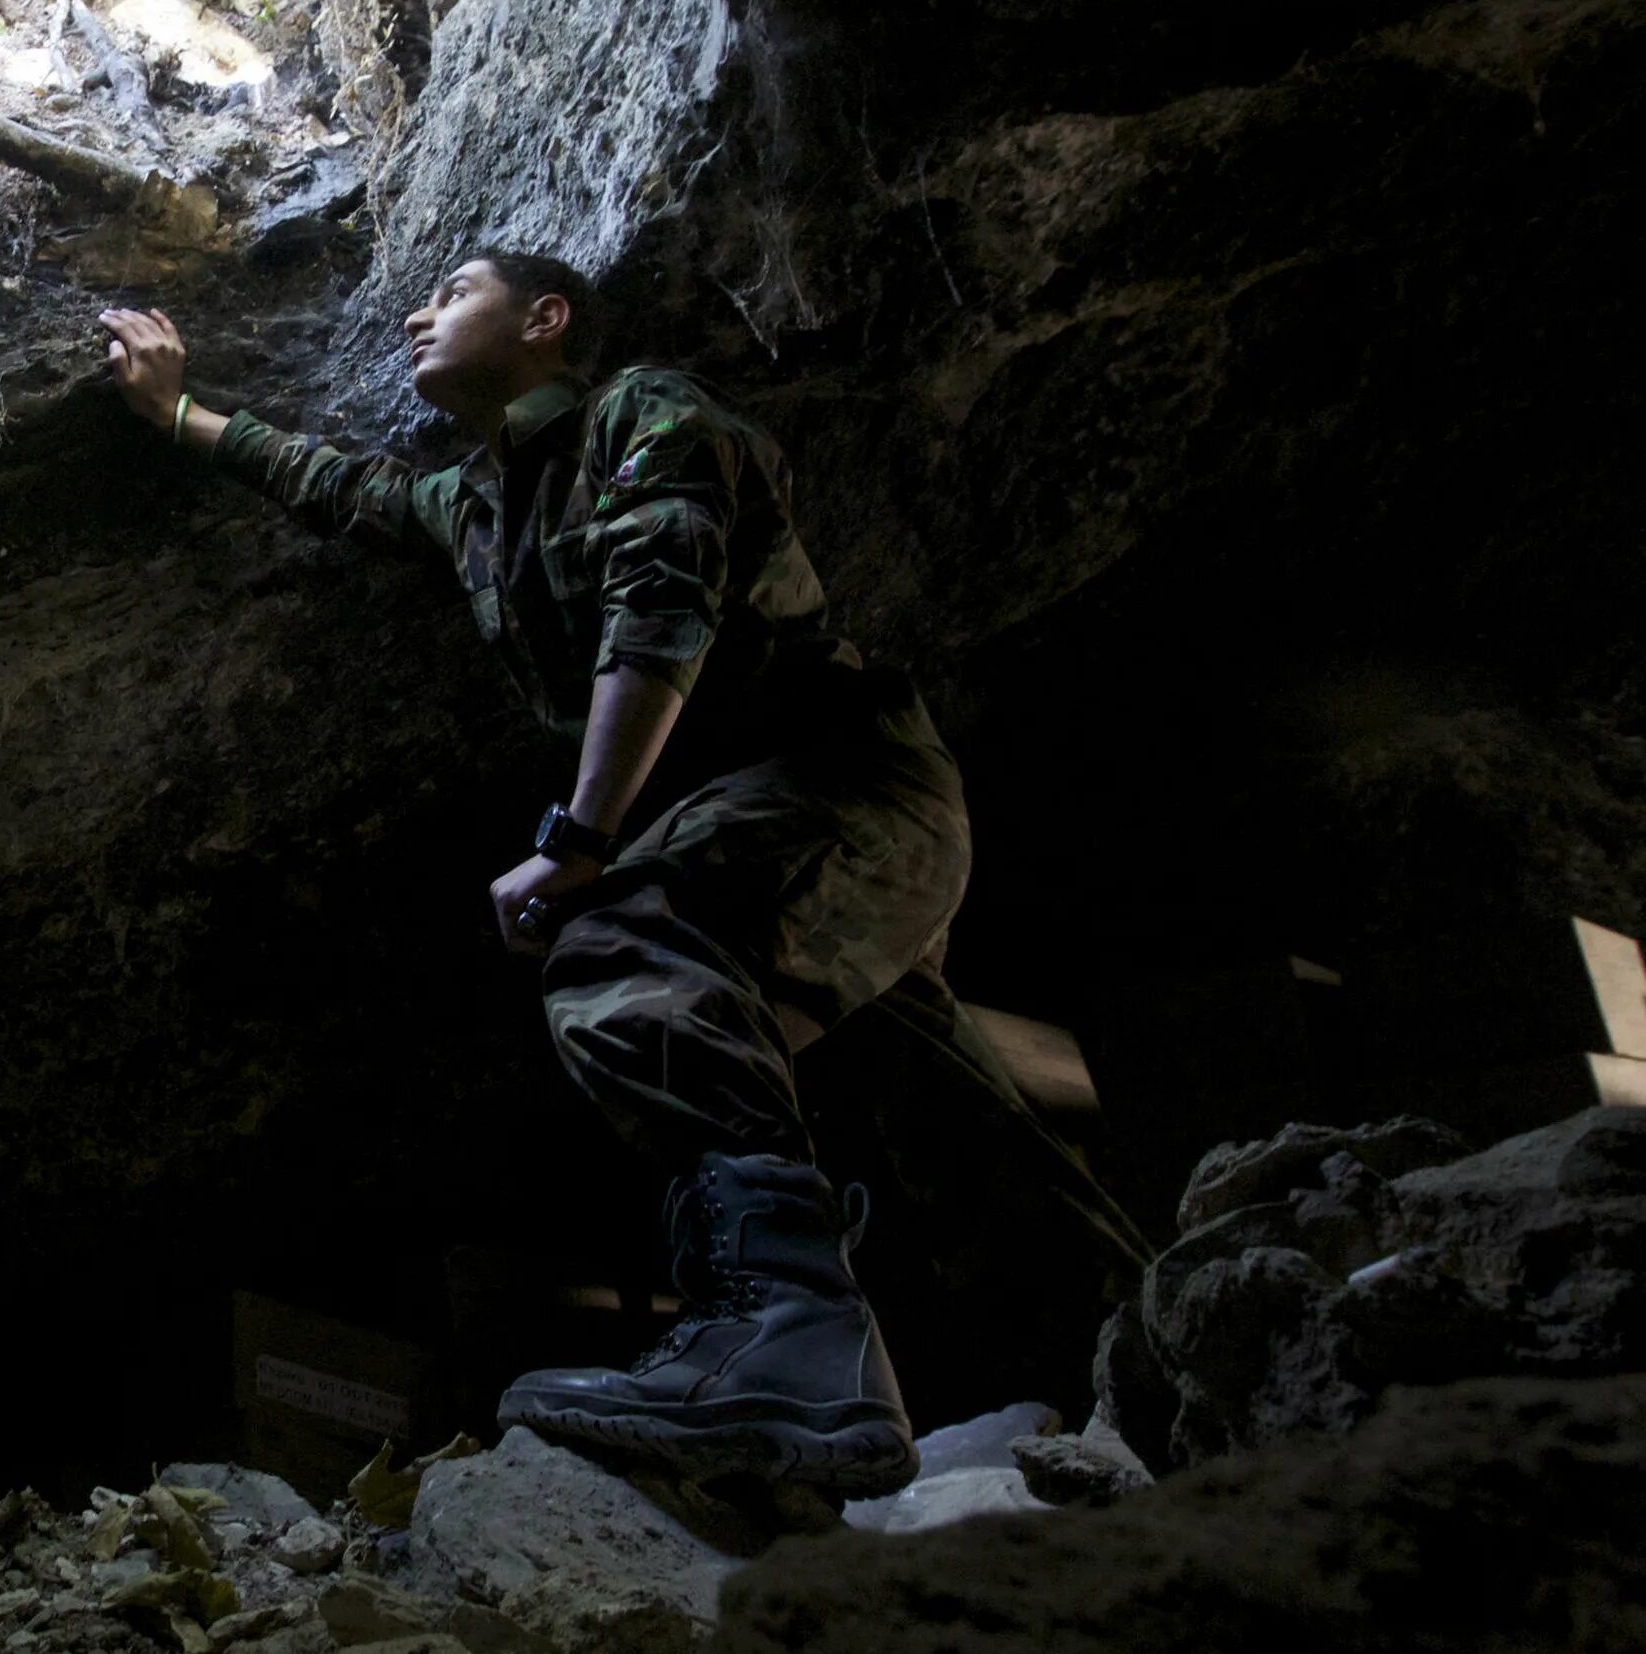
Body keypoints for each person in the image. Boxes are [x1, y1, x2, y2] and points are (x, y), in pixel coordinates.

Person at [99, 253, 1146, 1499]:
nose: (418, 314)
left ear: (547, 321)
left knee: (622, 943)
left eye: (455, 289)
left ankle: (783, 1338)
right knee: (952, 1128)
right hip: (780, 850)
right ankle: (1180, 1357)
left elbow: (664, 599)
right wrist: (176, 410)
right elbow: (337, 487)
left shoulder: (642, 412)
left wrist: (578, 844)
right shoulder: (477, 508)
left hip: (849, 792)